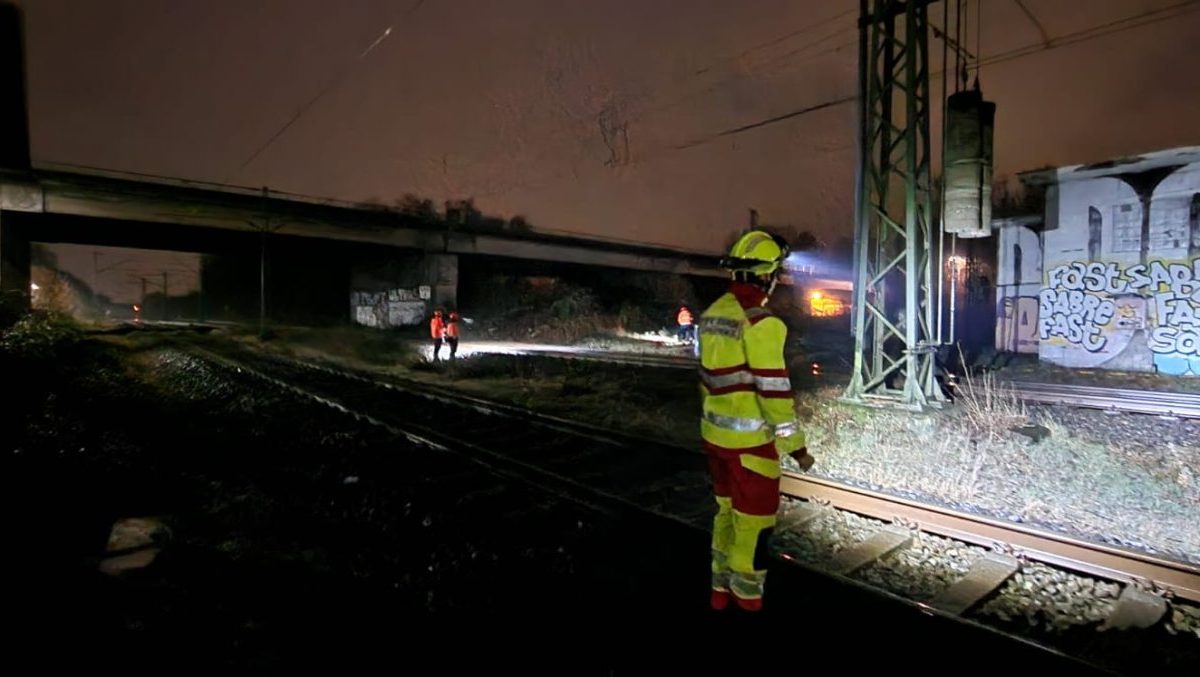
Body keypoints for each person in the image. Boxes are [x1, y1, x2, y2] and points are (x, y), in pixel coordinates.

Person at [697, 229, 815, 613]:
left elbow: (706, 383)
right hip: (751, 448)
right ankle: (747, 599)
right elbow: (775, 392)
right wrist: (795, 447)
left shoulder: (713, 316)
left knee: (726, 514)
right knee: (755, 524)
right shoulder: (763, 324)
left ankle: (718, 591)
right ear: (768, 276)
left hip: (714, 440)